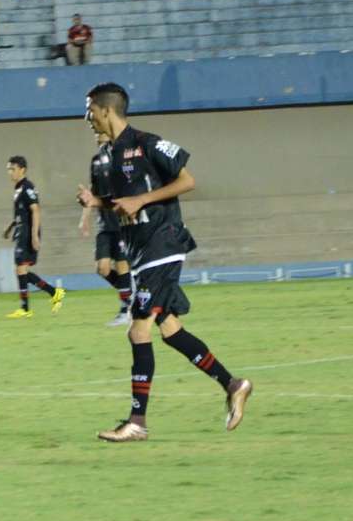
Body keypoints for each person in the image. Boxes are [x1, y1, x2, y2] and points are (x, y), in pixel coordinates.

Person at [77, 83, 253, 442]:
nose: (87, 118)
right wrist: (97, 203)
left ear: (106, 110)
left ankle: (137, 422)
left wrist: (142, 199)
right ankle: (233, 384)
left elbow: (187, 180)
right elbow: (125, 204)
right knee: (170, 330)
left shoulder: (147, 142)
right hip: (142, 252)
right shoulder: (110, 155)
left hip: (164, 243)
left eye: (90, 110)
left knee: (138, 330)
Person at [80, 131, 132, 326]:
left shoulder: (120, 156)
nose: (97, 135)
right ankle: (129, 293)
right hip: (103, 222)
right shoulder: (95, 160)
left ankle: (125, 309)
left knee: (121, 264)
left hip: (120, 219)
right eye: (95, 133)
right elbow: (92, 192)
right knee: (101, 268)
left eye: (101, 132)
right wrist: (84, 218)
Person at [3, 156, 65, 318]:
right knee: (21, 270)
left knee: (21, 268)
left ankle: (25, 309)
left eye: (13, 169)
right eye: (8, 169)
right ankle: (53, 293)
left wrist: (34, 236)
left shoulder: (27, 187)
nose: (10, 173)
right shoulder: (18, 189)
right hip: (20, 231)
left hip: (27, 233)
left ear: (22, 169)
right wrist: (10, 227)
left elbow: (35, 210)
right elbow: (21, 213)